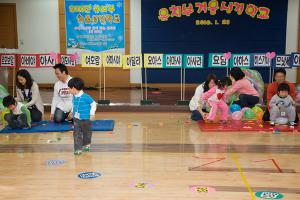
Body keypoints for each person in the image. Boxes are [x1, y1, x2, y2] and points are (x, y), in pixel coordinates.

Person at [68, 77, 97, 155]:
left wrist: (92, 114)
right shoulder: (74, 96)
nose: (68, 90)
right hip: (76, 119)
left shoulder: (86, 97)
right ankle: (78, 149)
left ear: (73, 88)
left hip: (86, 119)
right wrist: (71, 112)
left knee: (87, 133)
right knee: (76, 133)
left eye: (69, 88)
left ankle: (86, 144)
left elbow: (93, 104)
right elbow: (74, 105)